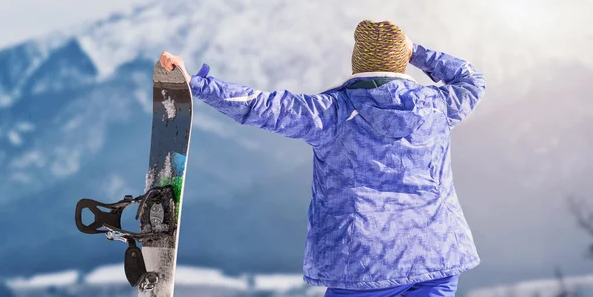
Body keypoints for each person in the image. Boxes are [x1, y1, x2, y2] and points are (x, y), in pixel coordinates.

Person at [159, 20, 486, 297]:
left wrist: (196, 84)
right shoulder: (438, 105)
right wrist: (416, 51)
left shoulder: (331, 112)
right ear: (401, 61)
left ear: (358, 62)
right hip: (436, 258)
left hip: (361, 266)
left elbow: (262, 106)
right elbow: (472, 80)